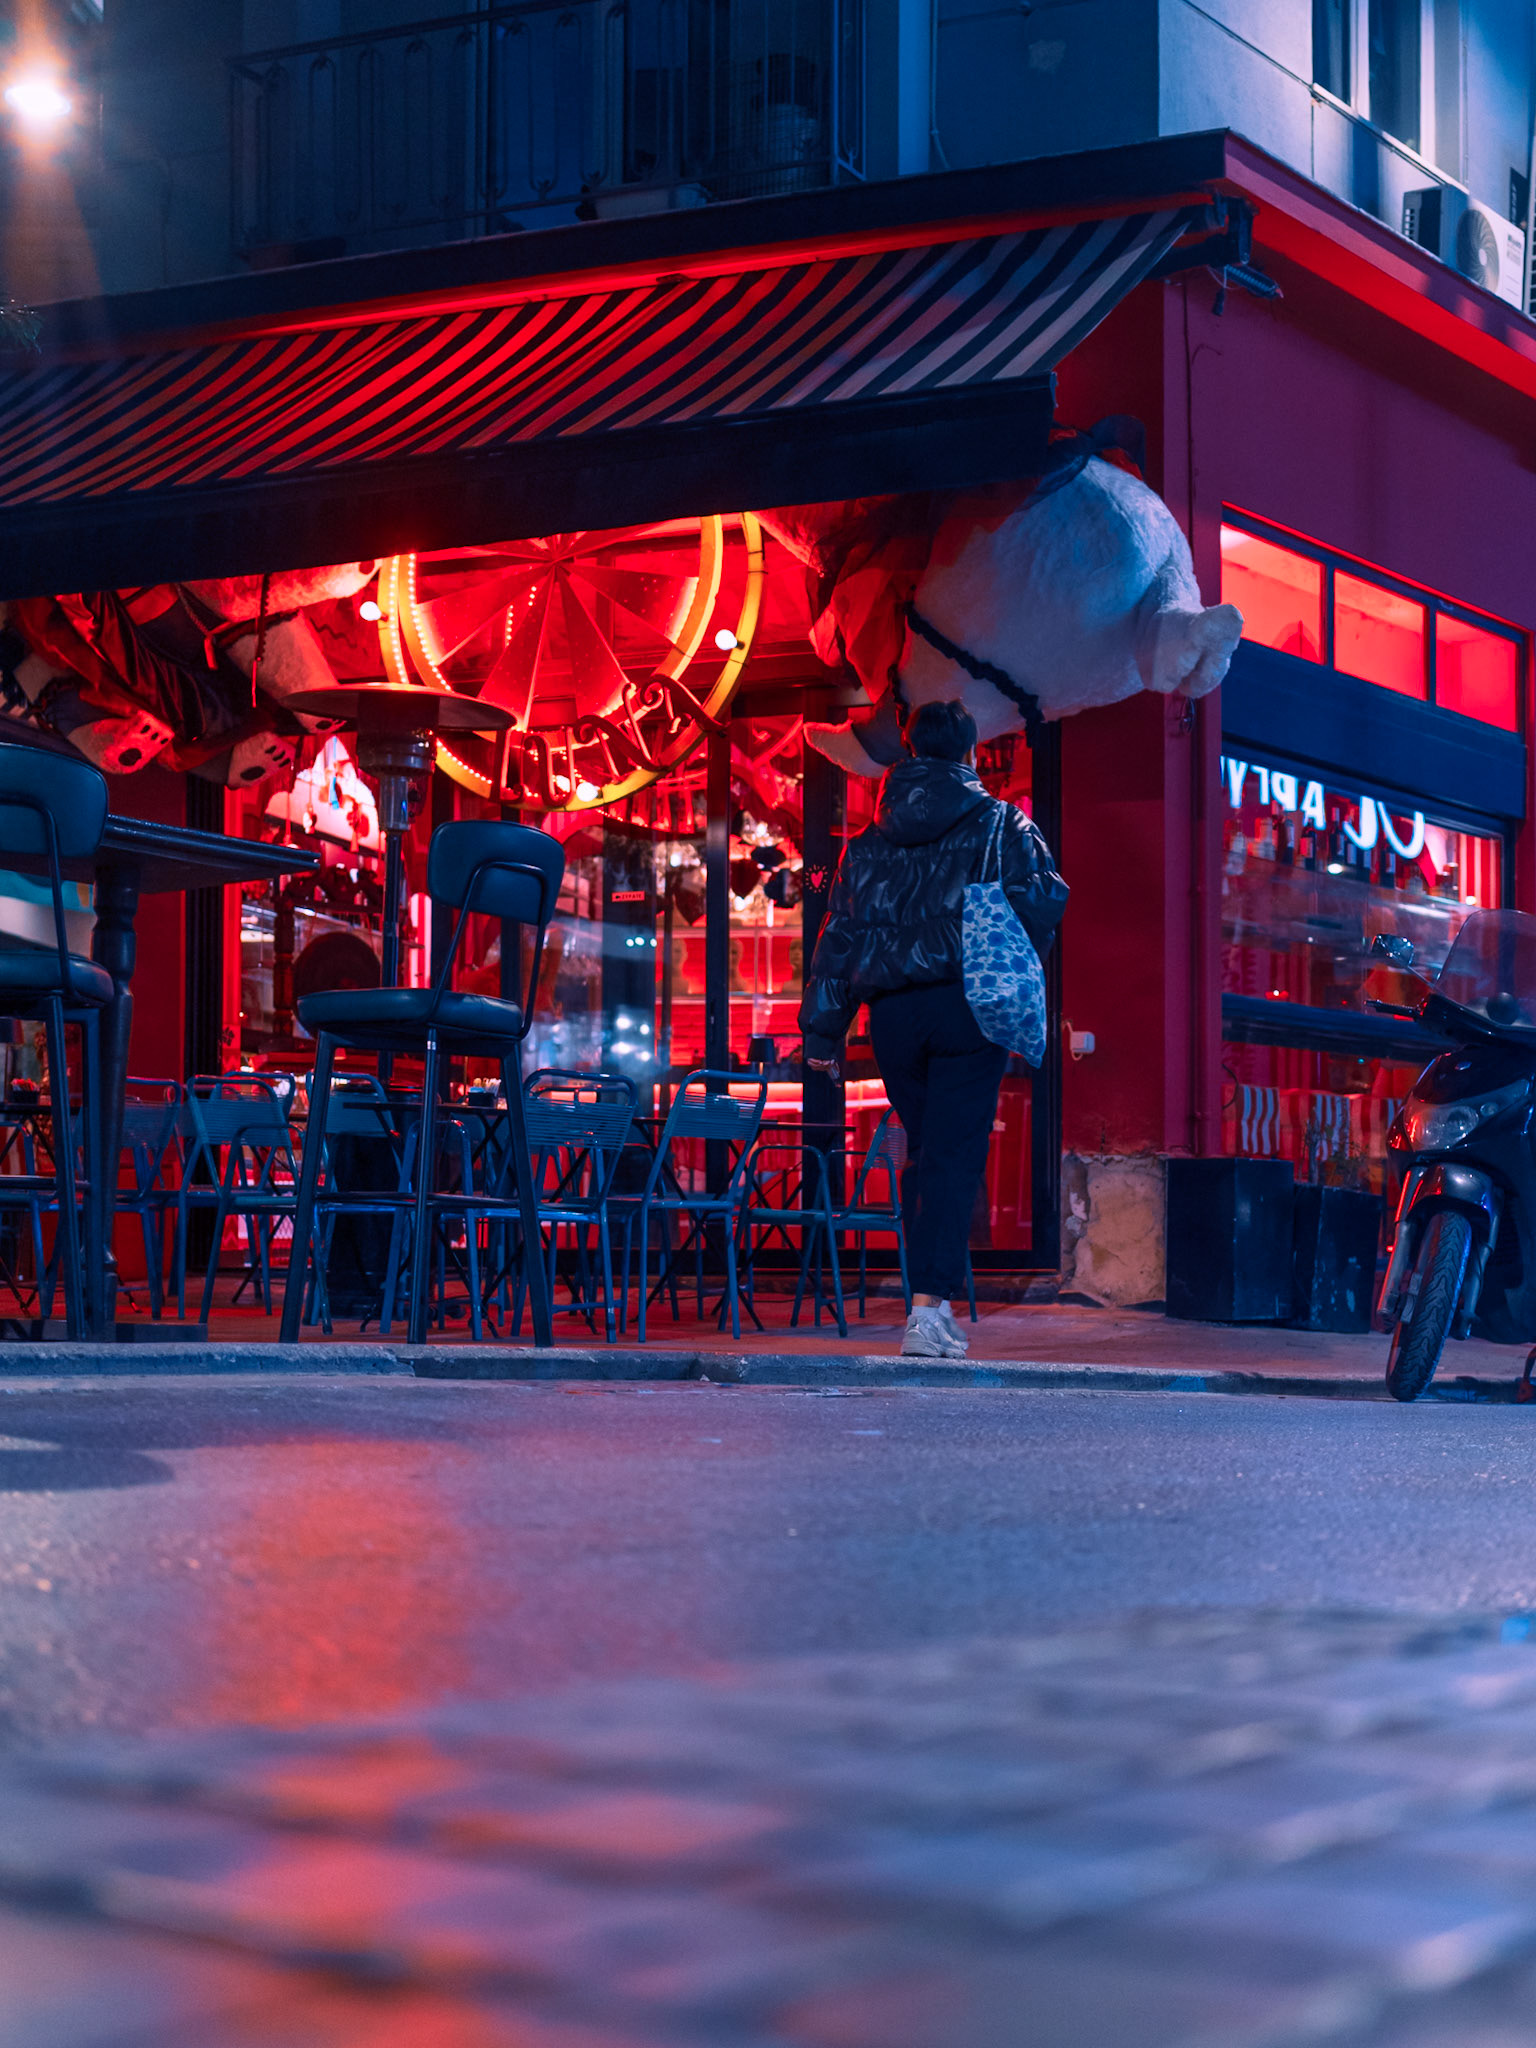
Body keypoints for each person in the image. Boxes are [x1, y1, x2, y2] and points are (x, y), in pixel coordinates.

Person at [799, 700, 1068, 1358]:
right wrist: (979, 915)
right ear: (971, 754)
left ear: (911, 752)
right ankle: (928, 1310)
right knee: (952, 1157)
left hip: (892, 1016)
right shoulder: (1003, 824)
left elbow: (840, 937)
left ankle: (930, 1301)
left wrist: (822, 1034)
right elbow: (1045, 898)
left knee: (927, 1154)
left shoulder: (863, 845)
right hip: (968, 1003)